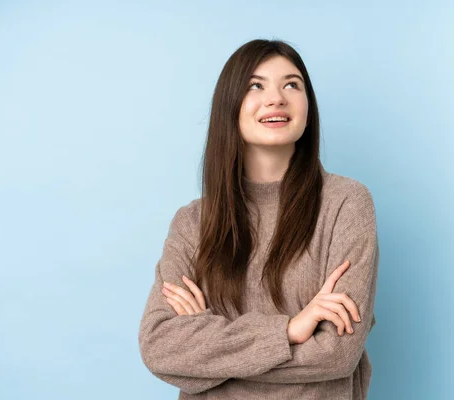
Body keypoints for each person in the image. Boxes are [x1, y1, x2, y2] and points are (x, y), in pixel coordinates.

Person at [138, 38, 380, 399]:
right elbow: (160, 347)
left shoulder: (345, 204)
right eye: (256, 85)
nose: (276, 98)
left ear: (307, 106)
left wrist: (208, 347)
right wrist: (289, 331)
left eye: (292, 84)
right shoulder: (193, 222)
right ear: (230, 105)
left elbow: (336, 355)